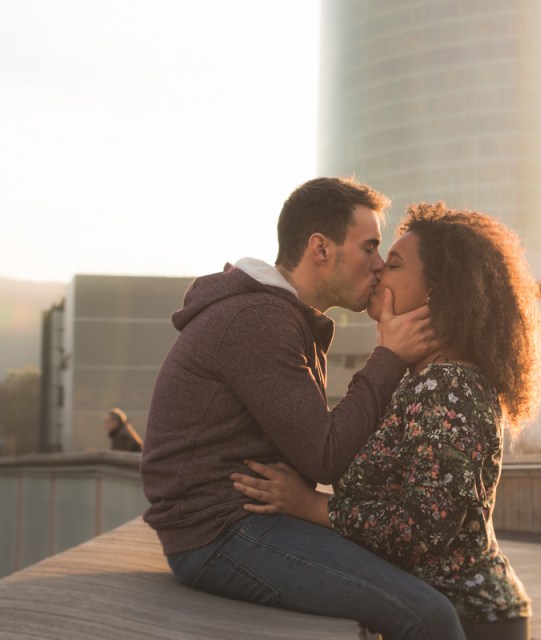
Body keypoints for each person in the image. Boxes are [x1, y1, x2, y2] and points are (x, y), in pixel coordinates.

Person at [140, 178, 466, 640]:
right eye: (369, 247)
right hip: (217, 533)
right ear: (320, 248)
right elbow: (324, 456)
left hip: (238, 521)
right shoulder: (258, 320)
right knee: (429, 618)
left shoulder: (280, 316)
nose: (378, 265)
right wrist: (389, 356)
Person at [230, 202, 541, 640]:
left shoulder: (450, 387)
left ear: (436, 291)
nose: (378, 270)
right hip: (424, 611)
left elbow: (422, 528)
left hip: (469, 619)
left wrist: (309, 507)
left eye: (394, 263)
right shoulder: (416, 378)